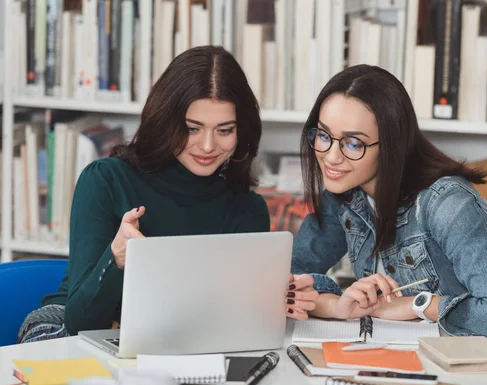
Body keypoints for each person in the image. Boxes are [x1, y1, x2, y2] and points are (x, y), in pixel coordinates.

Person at [18, 46, 317, 344]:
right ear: (166, 122)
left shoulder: (247, 209)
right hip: (69, 330)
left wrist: (276, 300)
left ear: (241, 133)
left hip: (177, 340)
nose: (208, 146)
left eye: (224, 130)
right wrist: (117, 257)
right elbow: (82, 323)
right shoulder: (106, 180)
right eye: (192, 129)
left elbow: (230, 325)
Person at [291, 64, 487, 342]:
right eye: (323, 135)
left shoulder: (447, 203)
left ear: (391, 144)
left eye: (353, 143)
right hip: (419, 354)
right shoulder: (346, 192)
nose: (331, 157)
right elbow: (291, 278)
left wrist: (418, 305)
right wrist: (337, 306)